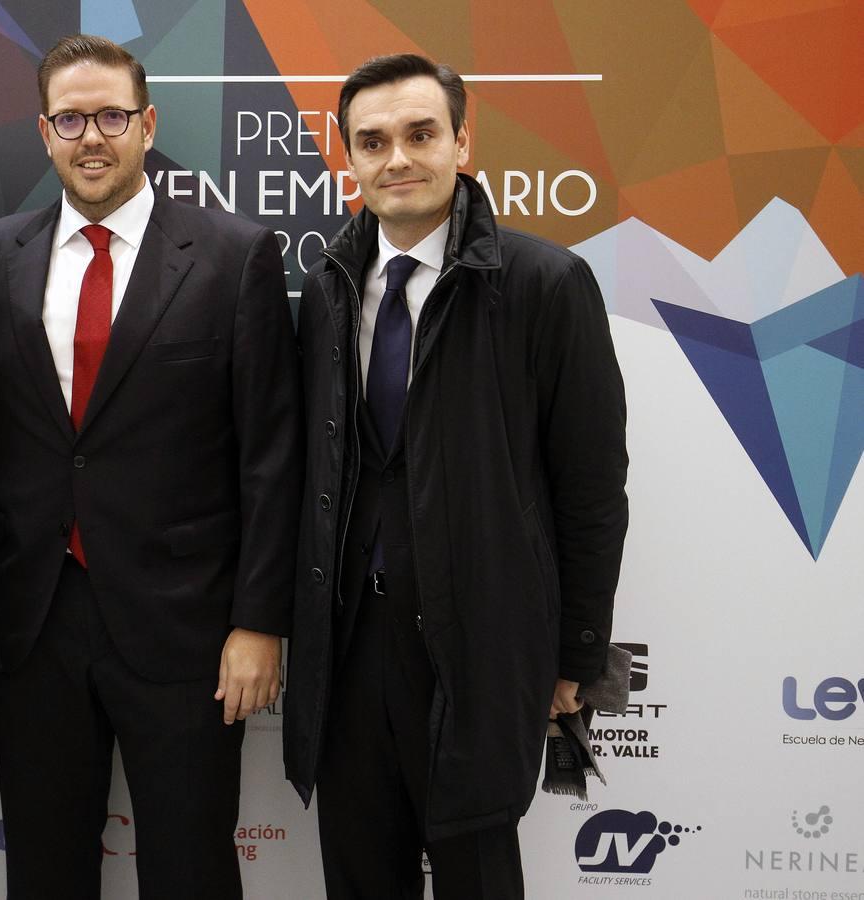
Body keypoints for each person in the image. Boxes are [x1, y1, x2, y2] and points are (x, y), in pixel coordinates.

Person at [283, 54, 629, 899]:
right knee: (361, 876)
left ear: (462, 142)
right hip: (348, 651)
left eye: (419, 134)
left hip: (476, 645)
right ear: (348, 159)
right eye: (372, 141)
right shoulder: (326, 290)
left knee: (479, 874)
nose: (396, 157)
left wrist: (574, 652)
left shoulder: (546, 284)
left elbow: (591, 489)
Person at [0, 33, 302, 900]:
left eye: (111, 115)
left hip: (188, 629)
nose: (92, 137)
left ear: (148, 123)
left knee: (190, 870)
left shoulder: (234, 257)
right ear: (44, 133)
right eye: (70, 119)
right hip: (32, 626)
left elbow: (272, 456)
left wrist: (260, 621)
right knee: (44, 871)